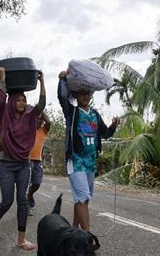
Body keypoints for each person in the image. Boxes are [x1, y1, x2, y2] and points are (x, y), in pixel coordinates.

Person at [0, 67, 46, 251]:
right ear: (12, 102)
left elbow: (42, 104)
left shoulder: (30, 118)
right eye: (18, 100)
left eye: (24, 99)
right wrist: (3, 79)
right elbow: (0, 101)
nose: (21, 102)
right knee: (7, 201)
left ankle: (21, 239)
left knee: (22, 201)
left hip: (23, 164)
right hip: (6, 164)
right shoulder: (4, 117)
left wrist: (42, 81)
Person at [57, 70, 120, 231]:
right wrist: (62, 79)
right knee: (83, 197)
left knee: (83, 199)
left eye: (88, 93)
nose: (86, 96)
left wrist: (113, 126)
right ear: (76, 95)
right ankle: (87, 237)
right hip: (76, 161)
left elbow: (105, 134)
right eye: (82, 93)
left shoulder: (95, 115)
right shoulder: (72, 112)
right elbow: (62, 97)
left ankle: (74, 229)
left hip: (90, 162)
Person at [27, 111, 51, 216]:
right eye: (36, 118)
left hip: (38, 161)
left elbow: (49, 121)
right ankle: (27, 206)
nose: (39, 120)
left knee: (37, 183)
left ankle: (30, 196)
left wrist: (40, 109)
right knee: (26, 186)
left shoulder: (43, 130)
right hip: (26, 161)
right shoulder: (27, 128)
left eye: (41, 119)